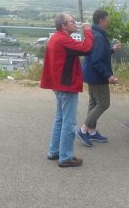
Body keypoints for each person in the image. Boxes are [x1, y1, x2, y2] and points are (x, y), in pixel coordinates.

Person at [40, 13, 93, 168]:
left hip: (58, 84)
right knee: (68, 123)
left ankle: (54, 151)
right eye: (72, 21)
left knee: (60, 119)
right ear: (64, 25)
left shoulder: (56, 38)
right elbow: (86, 48)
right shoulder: (63, 39)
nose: (75, 23)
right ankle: (65, 157)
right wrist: (88, 31)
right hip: (66, 85)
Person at [76, 9, 121, 147]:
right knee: (103, 103)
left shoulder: (95, 34)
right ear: (101, 21)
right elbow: (97, 60)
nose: (109, 22)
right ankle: (83, 130)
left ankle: (92, 132)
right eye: (107, 20)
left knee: (94, 102)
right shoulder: (100, 37)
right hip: (97, 76)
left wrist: (111, 50)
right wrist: (109, 76)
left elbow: (97, 54)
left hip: (90, 74)